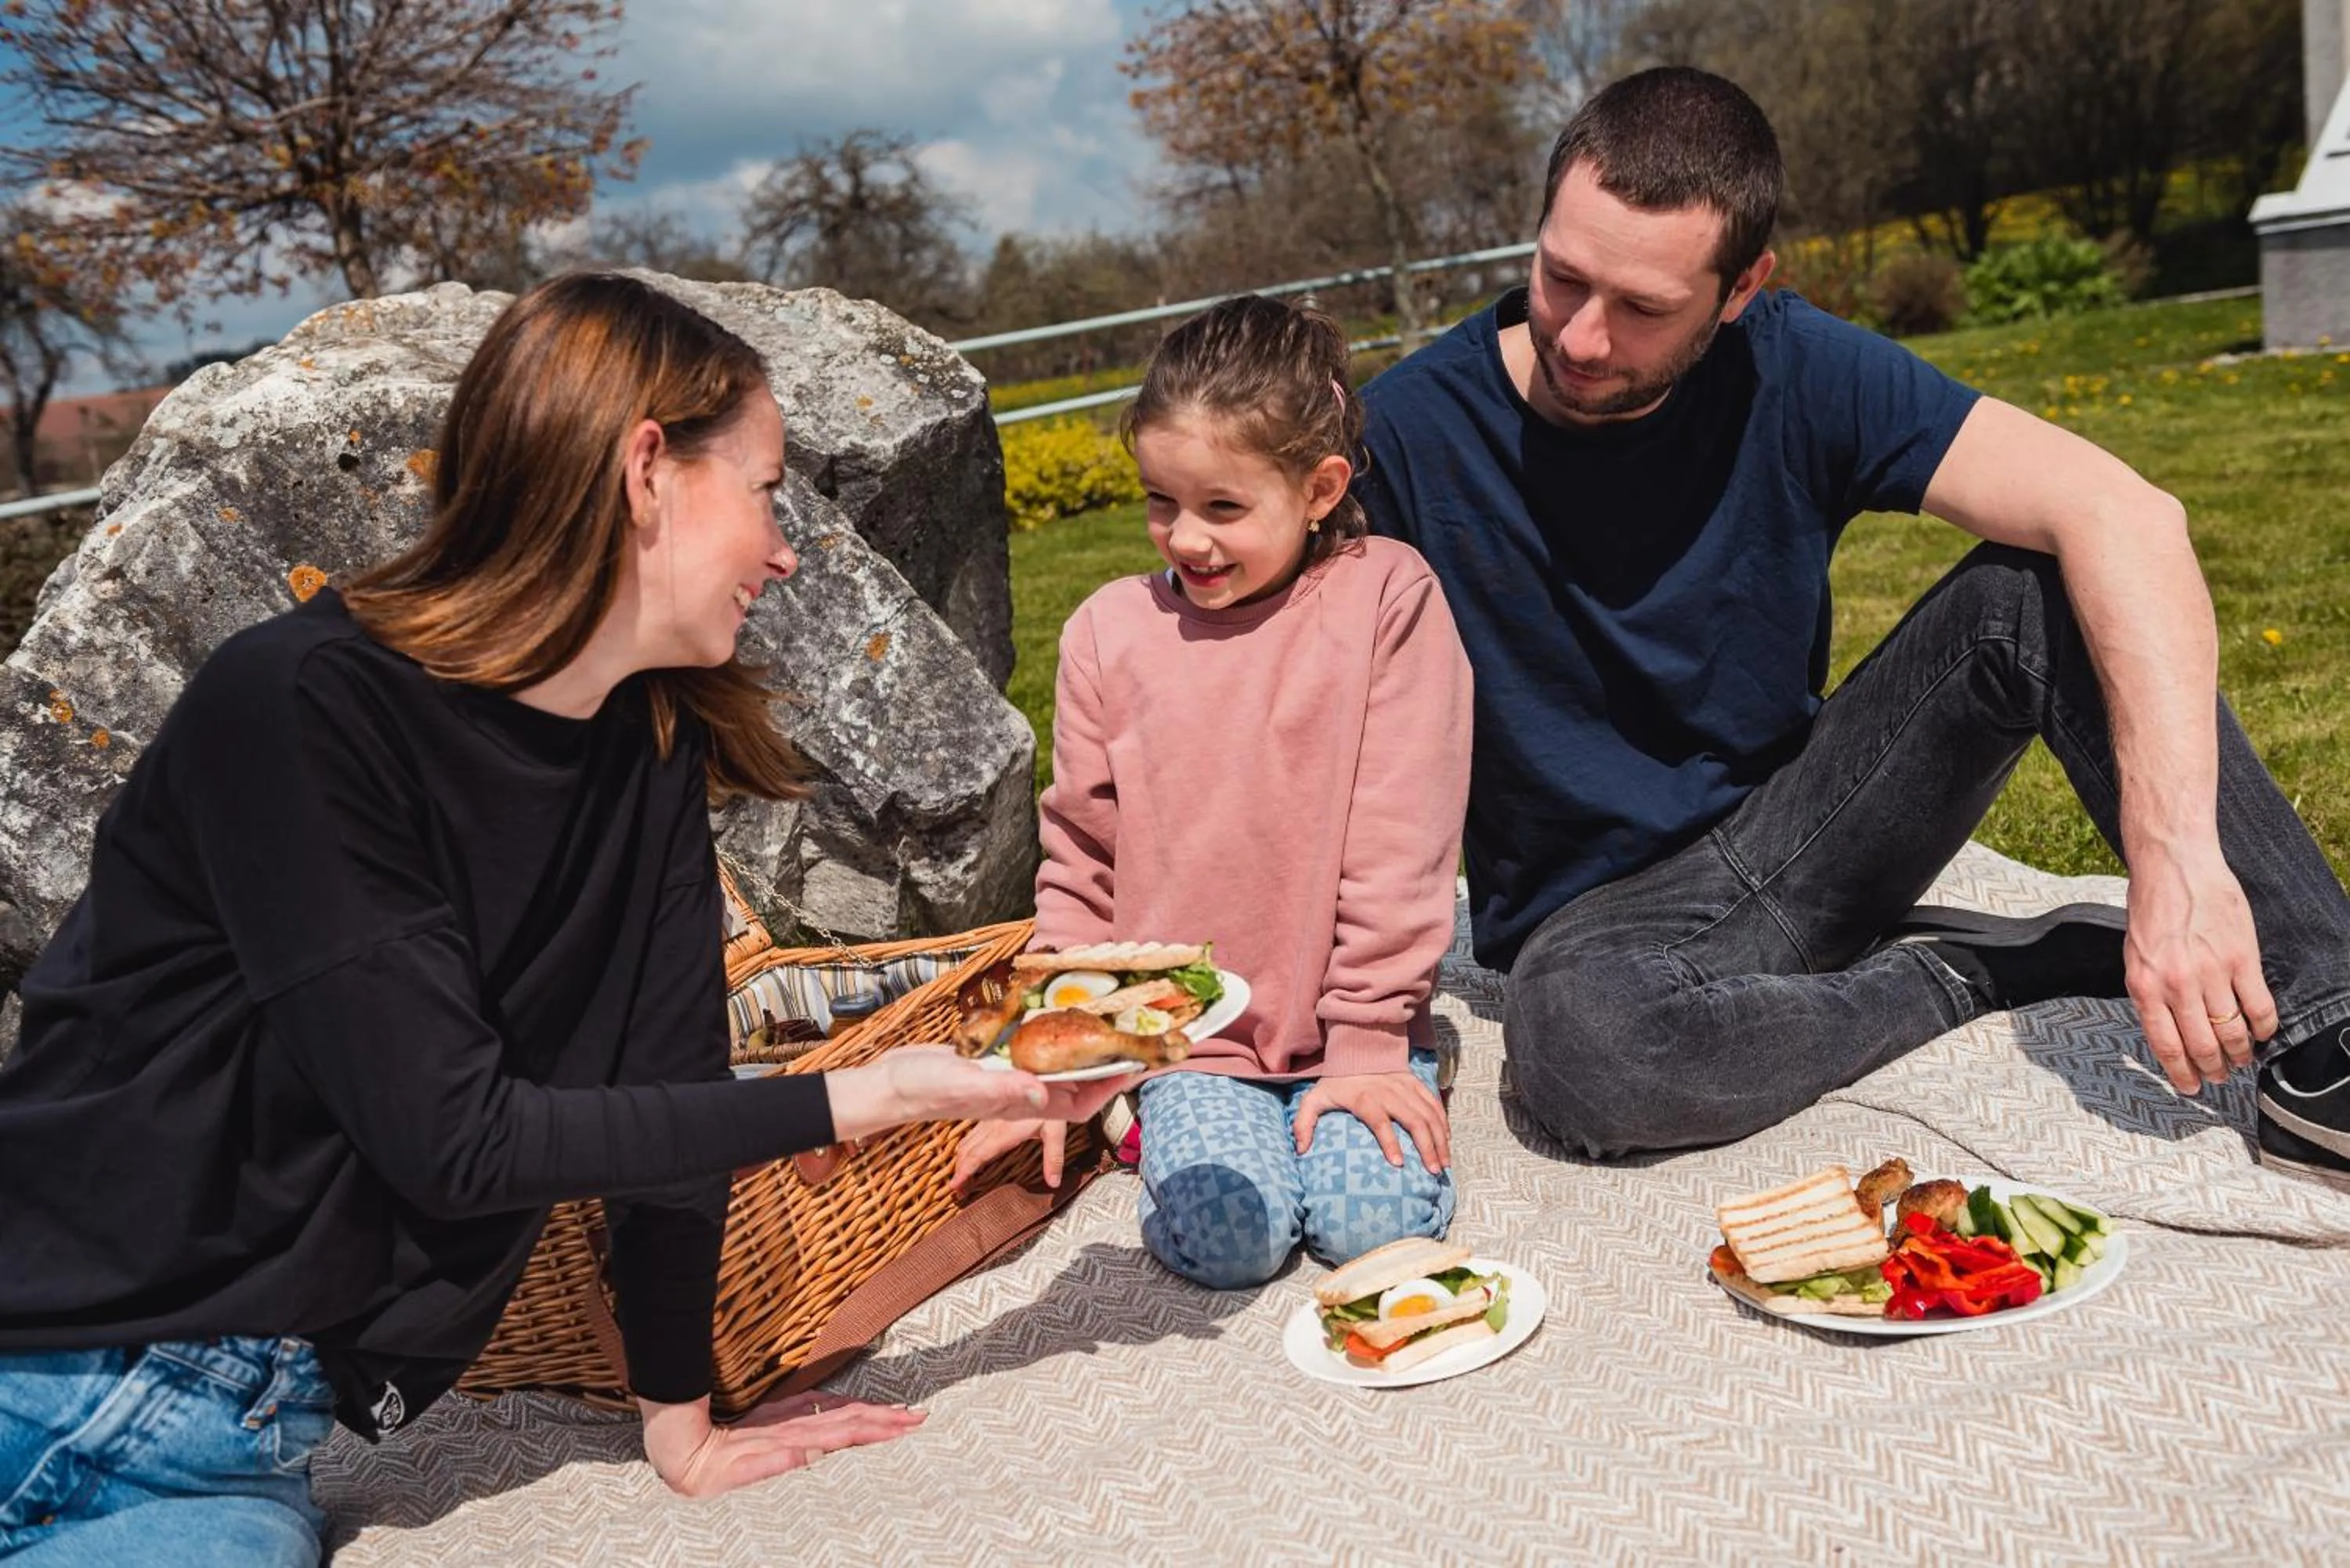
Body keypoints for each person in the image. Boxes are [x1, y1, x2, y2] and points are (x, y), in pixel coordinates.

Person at [0, 273, 1134, 1566]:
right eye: (767, 491)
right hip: (48, 1362)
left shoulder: (646, 739)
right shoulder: (302, 710)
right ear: (646, 465)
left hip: (239, 1447)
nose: (785, 549)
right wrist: (874, 1092)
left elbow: (670, 1084)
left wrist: (681, 1416)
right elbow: (456, 1138)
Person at [1357, 67, 2350, 1189]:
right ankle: (1969, 970)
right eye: (1561, 277)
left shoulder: (1793, 361)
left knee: (2039, 584)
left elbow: (2130, 513)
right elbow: (1282, 721)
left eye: (1642, 307)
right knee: (1587, 1057)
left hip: (1817, 830)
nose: (1584, 336)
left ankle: (2330, 1025)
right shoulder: (1404, 435)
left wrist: (2178, 861)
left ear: (1741, 289)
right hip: (1601, 927)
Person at [951, 296, 1476, 1287]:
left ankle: (1394, 1070)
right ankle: (1157, 1122)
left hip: (1352, 1028)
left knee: (1374, 1232)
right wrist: (1054, 1051)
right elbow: (1081, 854)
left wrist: (1368, 1042)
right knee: (1229, 1242)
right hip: (1186, 1041)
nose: (1185, 538)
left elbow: (1404, 841)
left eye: (1223, 508)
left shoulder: (1386, 598)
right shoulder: (1109, 630)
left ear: (1321, 488)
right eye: (1161, 500)